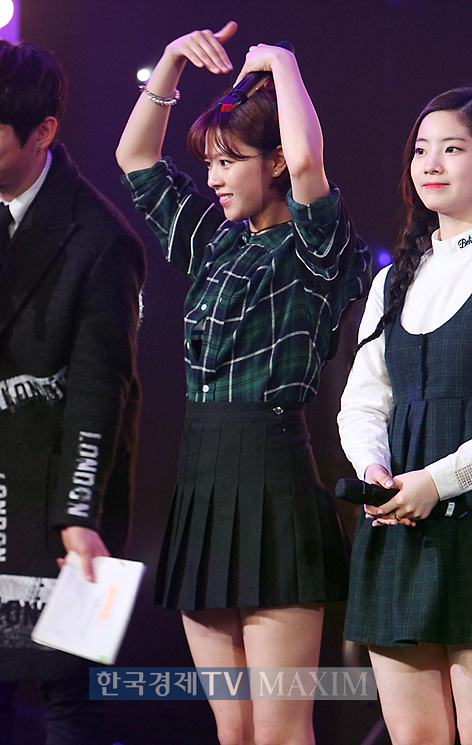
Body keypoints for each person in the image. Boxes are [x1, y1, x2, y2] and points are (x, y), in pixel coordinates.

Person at [116, 20, 370, 745]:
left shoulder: (315, 248)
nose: (214, 178)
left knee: (281, 728)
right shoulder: (216, 240)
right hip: (202, 482)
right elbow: (136, 157)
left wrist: (282, 63)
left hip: (271, 479)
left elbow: (311, 160)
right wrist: (169, 61)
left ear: (276, 162)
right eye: (210, 163)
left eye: (230, 161)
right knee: (233, 729)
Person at [338, 86, 472, 745]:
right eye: (421, 150)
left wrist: (440, 480)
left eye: (453, 148)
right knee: (414, 734)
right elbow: (363, 399)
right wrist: (375, 470)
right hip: (400, 525)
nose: (431, 163)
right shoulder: (392, 279)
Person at [0, 40, 146, 745]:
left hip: (67, 503)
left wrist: (78, 515)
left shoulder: (100, 238)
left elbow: (100, 389)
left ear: (43, 132)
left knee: (71, 699)